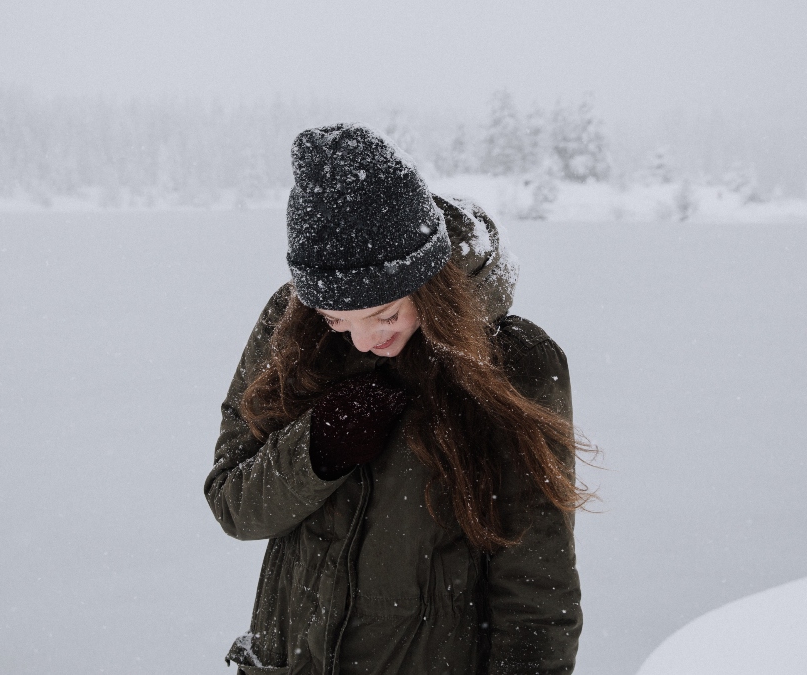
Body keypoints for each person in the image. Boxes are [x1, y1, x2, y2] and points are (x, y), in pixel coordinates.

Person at [206, 123, 588, 675]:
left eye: (386, 315)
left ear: (431, 283)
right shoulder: (291, 327)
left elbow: (537, 591)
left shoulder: (515, 361)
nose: (365, 339)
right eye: (339, 319)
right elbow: (233, 505)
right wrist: (316, 450)